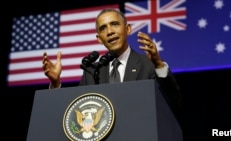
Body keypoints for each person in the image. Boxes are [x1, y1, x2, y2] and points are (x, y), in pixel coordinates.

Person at [42, 8, 183, 127]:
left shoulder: (148, 64)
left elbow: (173, 102)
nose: (109, 31)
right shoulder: (92, 71)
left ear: (127, 29)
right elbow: (76, 111)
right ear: (99, 38)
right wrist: (55, 84)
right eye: (103, 28)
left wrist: (158, 64)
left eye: (114, 24)